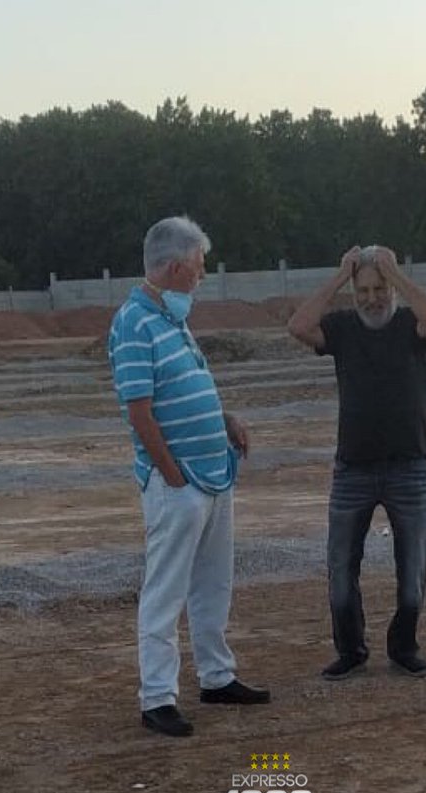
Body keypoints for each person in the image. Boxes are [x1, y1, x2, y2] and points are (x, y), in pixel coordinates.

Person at [107, 215, 270, 738]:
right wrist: (173, 477)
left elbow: (183, 389)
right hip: (180, 484)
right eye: (198, 268)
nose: (201, 278)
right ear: (176, 267)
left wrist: (223, 420)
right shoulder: (134, 323)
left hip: (212, 475)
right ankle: (157, 696)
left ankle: (217, 676)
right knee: (166, 590)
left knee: (213, 582)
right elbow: (139, 412)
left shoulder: (171, 319)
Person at [287, 245, 426, 680]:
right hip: (352, 470)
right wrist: (341, 275)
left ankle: (404, 647)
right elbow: (299, 326)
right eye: (364, 290)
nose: (372, 298)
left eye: (380, 289)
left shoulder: (410, 326)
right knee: (341, 571)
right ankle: (351, 650)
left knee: (413, 572)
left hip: (410, 467)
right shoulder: (341, 328)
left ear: (391, 288)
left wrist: (396, 274)